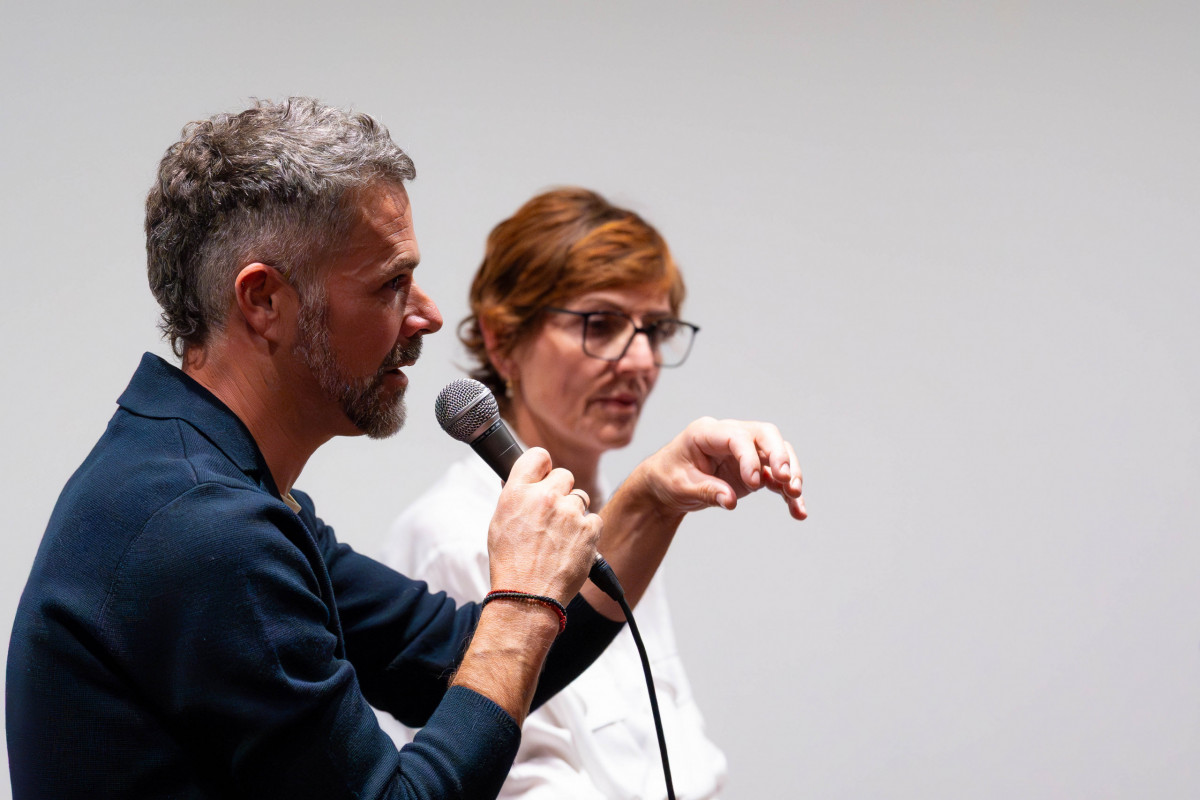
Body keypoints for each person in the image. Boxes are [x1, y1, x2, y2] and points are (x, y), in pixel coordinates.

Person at [6, 98, 806, 800]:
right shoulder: (204, 529)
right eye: (392, 284)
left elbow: (446, 660)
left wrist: (649, 501)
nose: (426, 316)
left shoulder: (217, 486)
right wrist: (524, 601)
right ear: (265, 300)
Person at [378, 187, 726, 799]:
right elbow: (521, 786)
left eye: (656, 329)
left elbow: (675, 740)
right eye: (601, 324)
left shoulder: (608, 517)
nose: (640, 360)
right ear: (502, 340)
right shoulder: (453, 535)